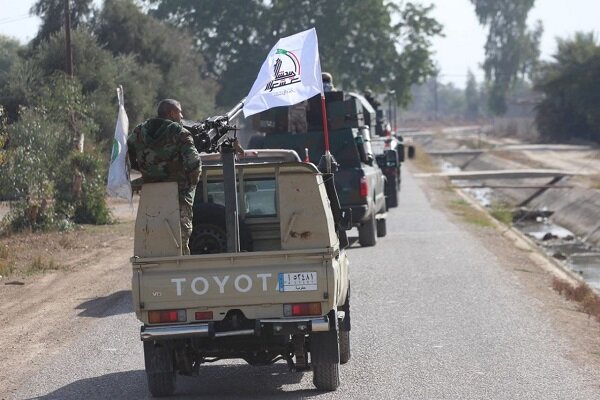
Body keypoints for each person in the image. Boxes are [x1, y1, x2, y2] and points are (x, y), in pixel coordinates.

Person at [127, 99, 201, 255]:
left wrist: (148, 172)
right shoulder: (180, 133)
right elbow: (194, 163)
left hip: (150, 193)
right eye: (180, 112)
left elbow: (129, 156)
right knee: (179, 241)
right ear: (172, 113)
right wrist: (190, 185)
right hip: (177, 194)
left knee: (151, 237)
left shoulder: (139, 132)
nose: (182, 115)